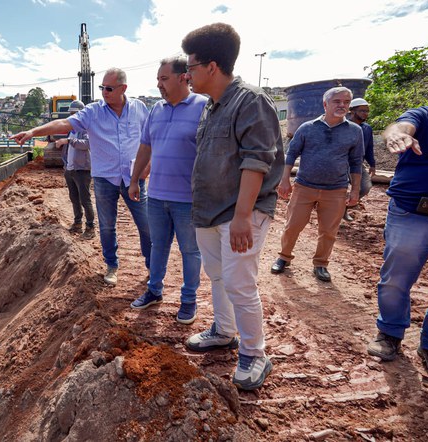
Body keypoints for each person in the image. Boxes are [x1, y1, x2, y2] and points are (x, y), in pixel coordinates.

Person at [180, 23, 285, 390]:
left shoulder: (250, 101)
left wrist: (243, 216)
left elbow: (257, 161)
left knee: (241, 284)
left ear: (211, 66)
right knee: (219, 277)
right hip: (209, 211)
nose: (186, 74)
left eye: (190, 67)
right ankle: (224, 331)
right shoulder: (212, 107)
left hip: (239, 214)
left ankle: (256, 353)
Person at [11, 68, 151, 286]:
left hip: (134, 178)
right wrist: (33, 132)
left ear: (124, 88)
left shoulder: (140, 109)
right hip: (105, 179)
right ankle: (112, 265)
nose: (104, 92)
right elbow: (64, 124)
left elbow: (149, 138)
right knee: (106, 225)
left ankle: (153, 266)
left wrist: (148, 166)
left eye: (109, 88)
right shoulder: (94, 112)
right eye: (102, 87)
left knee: (146, 225)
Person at [366, 71, 428, 384]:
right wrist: (397, 134)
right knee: (396, 281)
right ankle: (389, 333)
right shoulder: (427, 117)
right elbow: (401, 125)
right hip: (411, 214)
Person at [128, 57, 208, 324]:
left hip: (188, 198)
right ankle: (154, 290)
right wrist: (135, 179)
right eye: (158, 79)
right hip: (157, 195)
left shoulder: (203, 107)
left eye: (164, 79)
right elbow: (145, 147)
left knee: (190, 250)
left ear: (183, 77)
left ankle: (188, 301)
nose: (159, 84)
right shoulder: (156, 110)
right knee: (158, 245)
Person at [270, 87, 364, 282]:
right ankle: (284, 257)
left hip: (336, 190)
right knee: (292, 226)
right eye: (337, 101)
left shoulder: (355, 131)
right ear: (325, 104)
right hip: (304, 187)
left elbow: (356, 162)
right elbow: (291, 154)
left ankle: (321, 264)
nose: (342, 105)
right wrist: (284, 179)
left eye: (346, 102)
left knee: (328, 231)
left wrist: (355, 189)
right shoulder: (307, 128)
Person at [54, 99, 95, 239]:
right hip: (70, 170)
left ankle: (90, 228)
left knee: (85, 199)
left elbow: (88, 144)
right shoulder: (71, 130)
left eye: (74, 113)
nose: (72, 116)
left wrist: (69, 141)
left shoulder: (85, 129)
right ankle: (77, 224)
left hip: (82, 170)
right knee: (74, 198)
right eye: (71, 114)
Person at [343, 97, 376, 221]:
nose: (365, 113)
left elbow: (369, 148)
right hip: (341, 163)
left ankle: (343, 208)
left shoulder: (367, 129)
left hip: (357, 164)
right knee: (339, 188)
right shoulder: (343, 126)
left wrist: (372, 164)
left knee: (364, 187)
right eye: (362, 111)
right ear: (352, 111)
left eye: (367, 111)